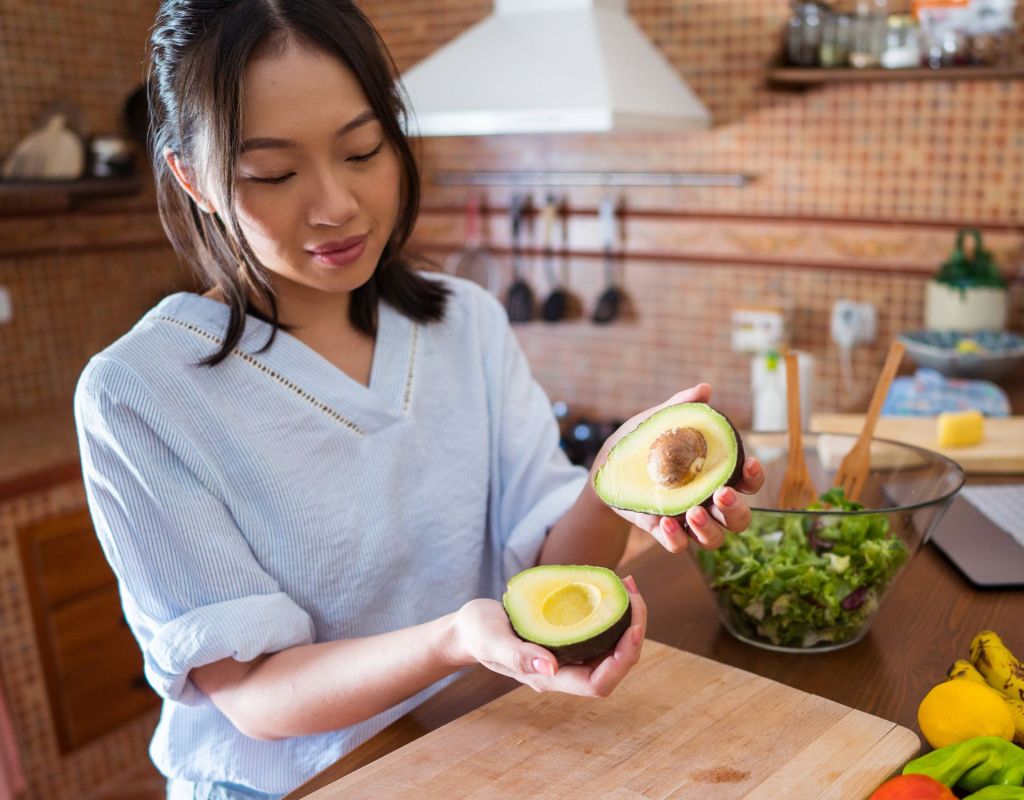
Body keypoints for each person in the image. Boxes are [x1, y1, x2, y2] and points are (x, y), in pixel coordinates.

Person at [73, 2, 765, 798]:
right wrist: (452, 641)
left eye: (362, 150)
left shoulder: (465, 320)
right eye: (274, 173)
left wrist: (614, 482)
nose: (336, 204)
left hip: (474, 745)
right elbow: (256, 695)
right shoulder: (140, 394)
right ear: (193, 178)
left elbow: (552, 573)